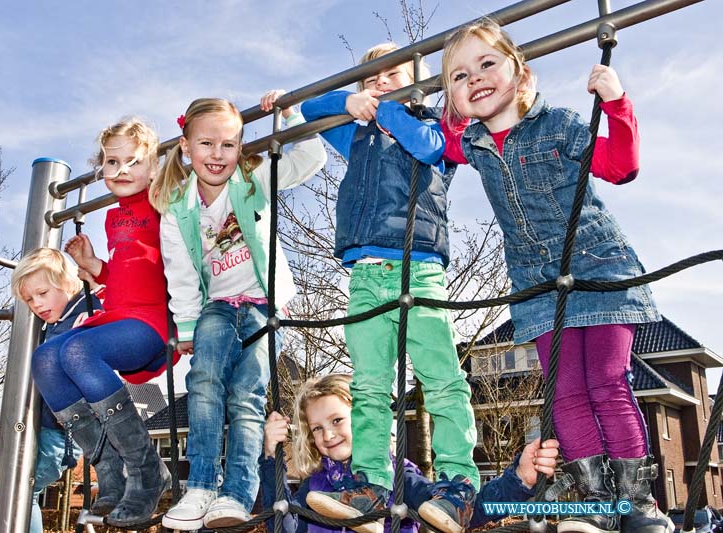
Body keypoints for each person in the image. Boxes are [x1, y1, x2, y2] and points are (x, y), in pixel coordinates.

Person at [439, 19, 667, 533]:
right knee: (563, 391)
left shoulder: (560, 124)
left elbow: (620, 165)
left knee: (606, 382)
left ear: (520, 74)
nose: (474, 78)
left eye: (487, 64)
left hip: (598, 267)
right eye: (458, 75)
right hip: (538, 288)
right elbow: (434, 137)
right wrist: (388, 103)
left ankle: (637, 502)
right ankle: (595, 501)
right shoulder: (472, 145)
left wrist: (616, 103)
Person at [299, 43, 479, 533]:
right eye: (371, 77)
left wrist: (391, 106)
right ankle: (371, 485)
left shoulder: (435, 125)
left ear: (417, 81)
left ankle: (460, 481)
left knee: (441, 377)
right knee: (370, 385)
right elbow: (308, 108)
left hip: (418, 269)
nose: (380, 82)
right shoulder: (356, 138)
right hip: (365, 275)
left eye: (392, 73)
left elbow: (427, 149)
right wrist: (347, 102)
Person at [152, 92, 326, 531]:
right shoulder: (177, 208)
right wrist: (187, 326)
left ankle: (236, 494)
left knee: (247, 394)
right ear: (186, 147)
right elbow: (181, 273)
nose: (217, 154)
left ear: (240, 148)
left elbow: (311, 159)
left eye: (228, 144)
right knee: (205, 382)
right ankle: (201, 486)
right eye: (206, 144)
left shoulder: (252, 180)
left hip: (264, 307)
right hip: (216, 308)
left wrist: (290, 113)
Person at [30, 118, 173, 528]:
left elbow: (173, 267)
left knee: (76, 348)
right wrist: (94, 266)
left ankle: (146, 470)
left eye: (134, 161)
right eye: (113, 161)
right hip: (119, 315)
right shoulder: (113, 218)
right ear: (101, 168)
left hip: (154, 322)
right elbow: (129, 276)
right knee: (45, 358)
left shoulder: (165, 204)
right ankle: (110, 471)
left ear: (154, 168)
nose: (122, 170)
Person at [260, 374, 561, 533]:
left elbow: (466, 512)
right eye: (316, 428)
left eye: (337, 420)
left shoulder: (397, 477)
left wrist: (518, 479)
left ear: (366, 419)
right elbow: (284, 525)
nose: (327, 434)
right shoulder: (316, 487)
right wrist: (271, 460)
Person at [12, 247, 102, 533]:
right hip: (44, 427)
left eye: (42, 293)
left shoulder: (81, 312)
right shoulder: (53, 322)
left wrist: (93, 286)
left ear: (66, 284)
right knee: (22, 489)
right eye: (29, 299)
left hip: (62, 434)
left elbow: (102, 305)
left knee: (22, 491)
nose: (36, 304)